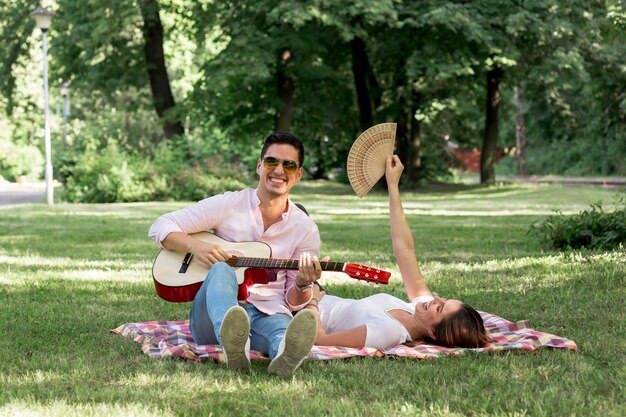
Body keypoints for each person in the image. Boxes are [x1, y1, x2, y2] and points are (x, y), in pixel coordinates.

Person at [149, 132, 326, 377]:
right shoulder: (229, 204)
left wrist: (304, 282)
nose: (279, 171)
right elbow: (160, 226)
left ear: (298, 174)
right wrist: (197, 247)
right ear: (259, 165)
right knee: (222, 268)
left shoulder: (305, 229)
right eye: (272, 162)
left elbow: (293, 300)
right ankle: (233, 340)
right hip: (210, 319)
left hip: (268, 310)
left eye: (289, 165)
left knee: (283, 332)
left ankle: (285, 355)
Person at [303, 155, 491, 350]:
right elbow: (405, 249)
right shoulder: (415, 310)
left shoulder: (390, 332)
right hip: (311, 294)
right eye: (443, 299)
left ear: (433, 333)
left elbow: (320, 340)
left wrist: (313, 301)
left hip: (299, 311)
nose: (435, 298)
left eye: (440, 307)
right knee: (297, 214)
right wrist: (393, 185)